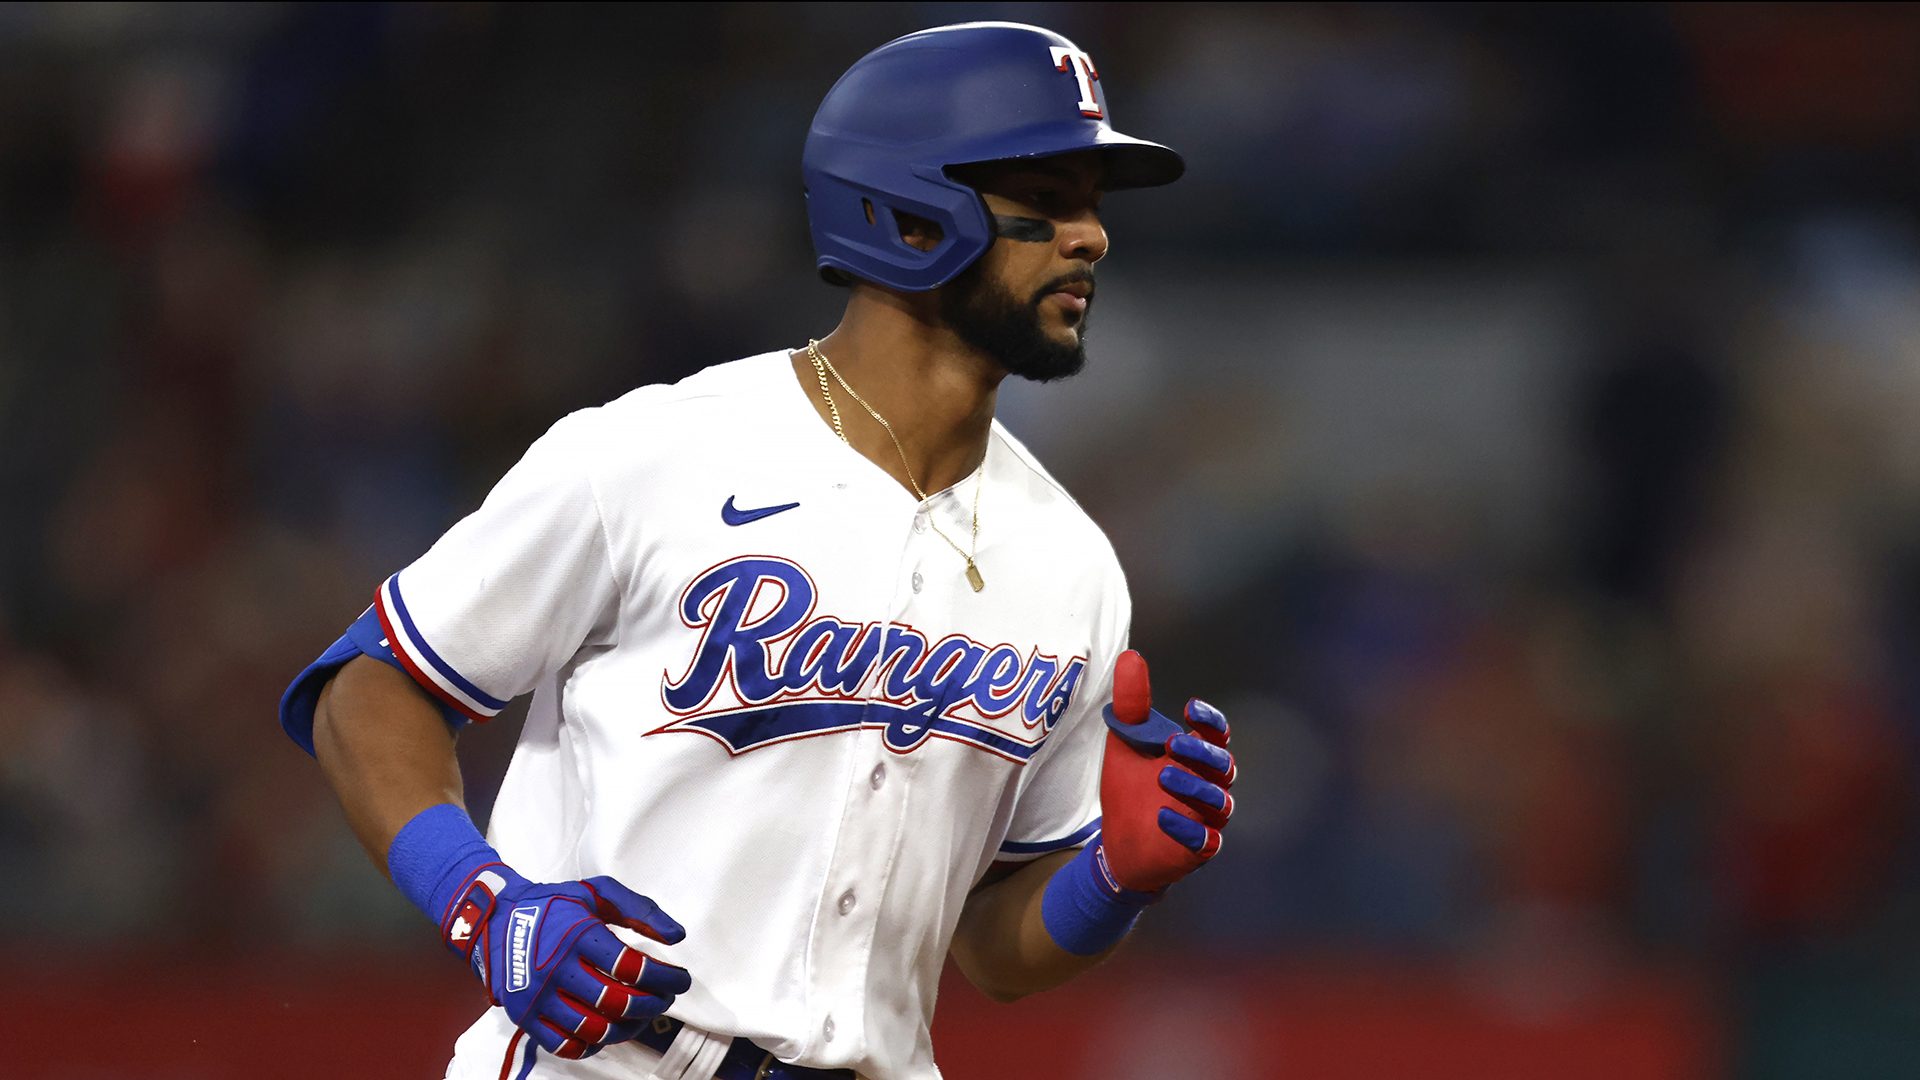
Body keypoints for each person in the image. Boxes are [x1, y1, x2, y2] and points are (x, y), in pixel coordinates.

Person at [279, 21, 1236, 1080]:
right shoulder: (657, 452)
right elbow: (369, 687)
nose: (1091, 237)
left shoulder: (1074, 561)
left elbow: (992, 953)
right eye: (1047, 199)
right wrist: (482, 899)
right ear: (911, 214)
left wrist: (1113, 878)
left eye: (1093, 206)